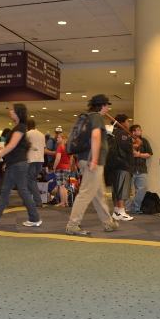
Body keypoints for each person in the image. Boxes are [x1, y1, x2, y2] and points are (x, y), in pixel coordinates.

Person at [0, 104, 42, 227]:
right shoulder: (20, 127)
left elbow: (12, 145)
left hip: (18, 164)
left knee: (19, 190)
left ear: (18, 112)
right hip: (15, 164)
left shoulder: (20, 127)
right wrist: (7, 163)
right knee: (8, 191)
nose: (10, 111)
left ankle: (34, 218)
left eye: (13, 109)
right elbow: (16, 148)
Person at [65, 94, 119, 236]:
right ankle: (73, 224)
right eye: (107, 105)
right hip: (92, 160)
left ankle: (108, 222)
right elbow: (95, 136)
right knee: (86, 193)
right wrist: (94, 160)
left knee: (99, 194)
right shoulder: (96, 117)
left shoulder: (90, 117)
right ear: (102, 105)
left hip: (87, 159)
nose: (108, 108)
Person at [109, 114, 134, 221]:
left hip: (113, 164)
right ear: (122, 122)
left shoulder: (112, 132)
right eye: (127, 121)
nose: (128, 124)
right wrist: (133, 144)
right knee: (123, 188)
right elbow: (125, 146)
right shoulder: (122, 133)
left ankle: (116, 211)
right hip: (123, 164)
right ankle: (121, 211)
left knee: (116, 189)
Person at [128, 124, 153, 214]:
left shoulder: (144, 141)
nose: (140, 131)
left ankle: (136, 207)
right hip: (130, 169)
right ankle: (124, 208)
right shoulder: (128, 141)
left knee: (143, 188)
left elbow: (149, 154)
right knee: (127, 189)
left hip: (142, 169)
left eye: (140, 129)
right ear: (133, 132)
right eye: (138, 129)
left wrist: (139, 155)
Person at [26, 119, 46, 207]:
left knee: (31, 180)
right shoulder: (42, 135)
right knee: (32, 180)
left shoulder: (28, 134)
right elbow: (43, 148)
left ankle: (38, 201)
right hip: (40, 159)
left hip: (31, 159)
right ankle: (29, 200)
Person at [52, 132, 71, 207]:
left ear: (63, 138)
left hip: (60, 168)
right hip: (67, 168)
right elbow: (71, 160)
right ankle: (65, 202)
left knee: (60, 185)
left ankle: (62, 202)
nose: (57, 138)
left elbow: (57, 159)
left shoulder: (60, 147)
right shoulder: (68, 148)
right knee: (64, 185)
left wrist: (54, 167)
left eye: (59, 137)